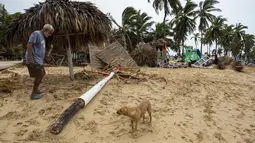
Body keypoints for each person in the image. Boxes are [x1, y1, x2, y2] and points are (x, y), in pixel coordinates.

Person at [25, 24, 54, 100]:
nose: (50, 35)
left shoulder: (42, 37)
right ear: (46, 30)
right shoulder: (36, 33)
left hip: (39, 60)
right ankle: (33, 94)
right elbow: (29, 45)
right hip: (34, 59)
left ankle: (36, 90)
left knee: (42, 74)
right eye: (50, 32)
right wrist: (30, 58)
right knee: (39, 75)